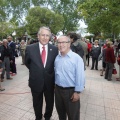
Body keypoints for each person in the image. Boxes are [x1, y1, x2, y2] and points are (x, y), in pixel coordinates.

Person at [25, 26, 58, 120]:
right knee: (37, 102)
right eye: (42, 35)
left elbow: (55, 64)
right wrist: (37, 70)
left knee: (50, 102)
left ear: (50, 37)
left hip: (49, 82)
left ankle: (48, 116)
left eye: (47, 35)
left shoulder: (55, 49)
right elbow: (28, 63)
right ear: (38, 36)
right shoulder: (30, 48)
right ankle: (38, 117)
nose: (45, 37)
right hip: (35, 81)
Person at [54, 36, 85, 120]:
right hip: (58, 91)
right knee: (61, 115)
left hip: (71, 92)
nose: (61, 45)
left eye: (64, 42)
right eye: (59, 43)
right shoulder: (57, 58)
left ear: (69, 44)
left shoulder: (76, 58)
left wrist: (77, 92)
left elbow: (80, 76)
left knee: (73, 116)